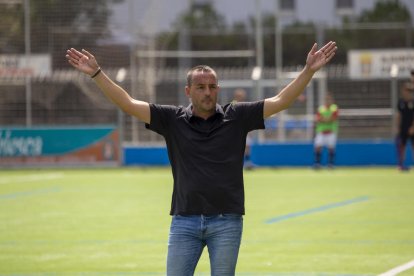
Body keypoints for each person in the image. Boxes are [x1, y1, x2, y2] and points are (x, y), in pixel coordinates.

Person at [66, 41, 337, 276]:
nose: (207, 92)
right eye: (200, 87)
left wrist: (308, 70)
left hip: (227, 222)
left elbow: (281, 101)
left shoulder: (237, 116)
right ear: (188, 91)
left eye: (212, 87)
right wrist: (98, 74)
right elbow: (127, 103)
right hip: (184, 221)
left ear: (218, 89)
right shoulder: (171, 119)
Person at [313, 93, 339, 169]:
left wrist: (324, 119)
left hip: (331, 131)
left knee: (331, 148)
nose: (328, 101)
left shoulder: (334, 108)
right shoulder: (321, 108)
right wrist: (327, 119)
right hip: (321, 132)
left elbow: (334, 118)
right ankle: (317, 164)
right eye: (326, 99)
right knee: (318, 147)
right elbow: (318, 119)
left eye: (329, 99)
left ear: (332, 100)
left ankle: (331, 164)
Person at [232, 88, 254, 169]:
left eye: (242, 95)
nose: (241, 97)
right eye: (239, 95)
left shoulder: (246, 104)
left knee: (247, 146)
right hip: (235, 130)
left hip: (245, 129)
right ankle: (235, 164)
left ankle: (248, 163)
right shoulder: (233, 104)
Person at [395, 82, 414, 171]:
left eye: (409, 91)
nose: (407, 92)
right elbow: (398, 115)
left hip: (412, 128)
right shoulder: (401, 102)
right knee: (402, 146)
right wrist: (398, 127)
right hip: (403, 127)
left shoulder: (413, 102)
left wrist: (413, 127)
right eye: (406, 90)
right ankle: (401, 164)